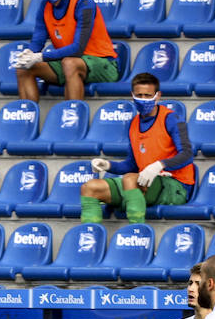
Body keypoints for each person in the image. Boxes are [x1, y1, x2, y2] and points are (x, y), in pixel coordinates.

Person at [80, 72, 196, 224]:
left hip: (175, 185)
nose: (144, 99)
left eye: (148, 95)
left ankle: (138, 234)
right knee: (90, 187)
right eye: (139, 95)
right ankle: (91, 238)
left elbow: (187, 154)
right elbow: (132, 165)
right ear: (132, 95)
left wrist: (160, 165)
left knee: (130, 180)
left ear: (158, 96)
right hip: (142, 181)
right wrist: (108, 165)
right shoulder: (134, 123)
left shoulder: (171, 119)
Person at [14, 0, 120, 102]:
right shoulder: (44, 6)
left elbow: (77, 48)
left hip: (103, 62)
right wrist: (29, 54)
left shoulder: (84, 3)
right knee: (23, 68)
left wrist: (41, 57)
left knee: (70, 63)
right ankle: (28, 118)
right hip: (67, 62)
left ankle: (73, 118)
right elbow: (38, 40)